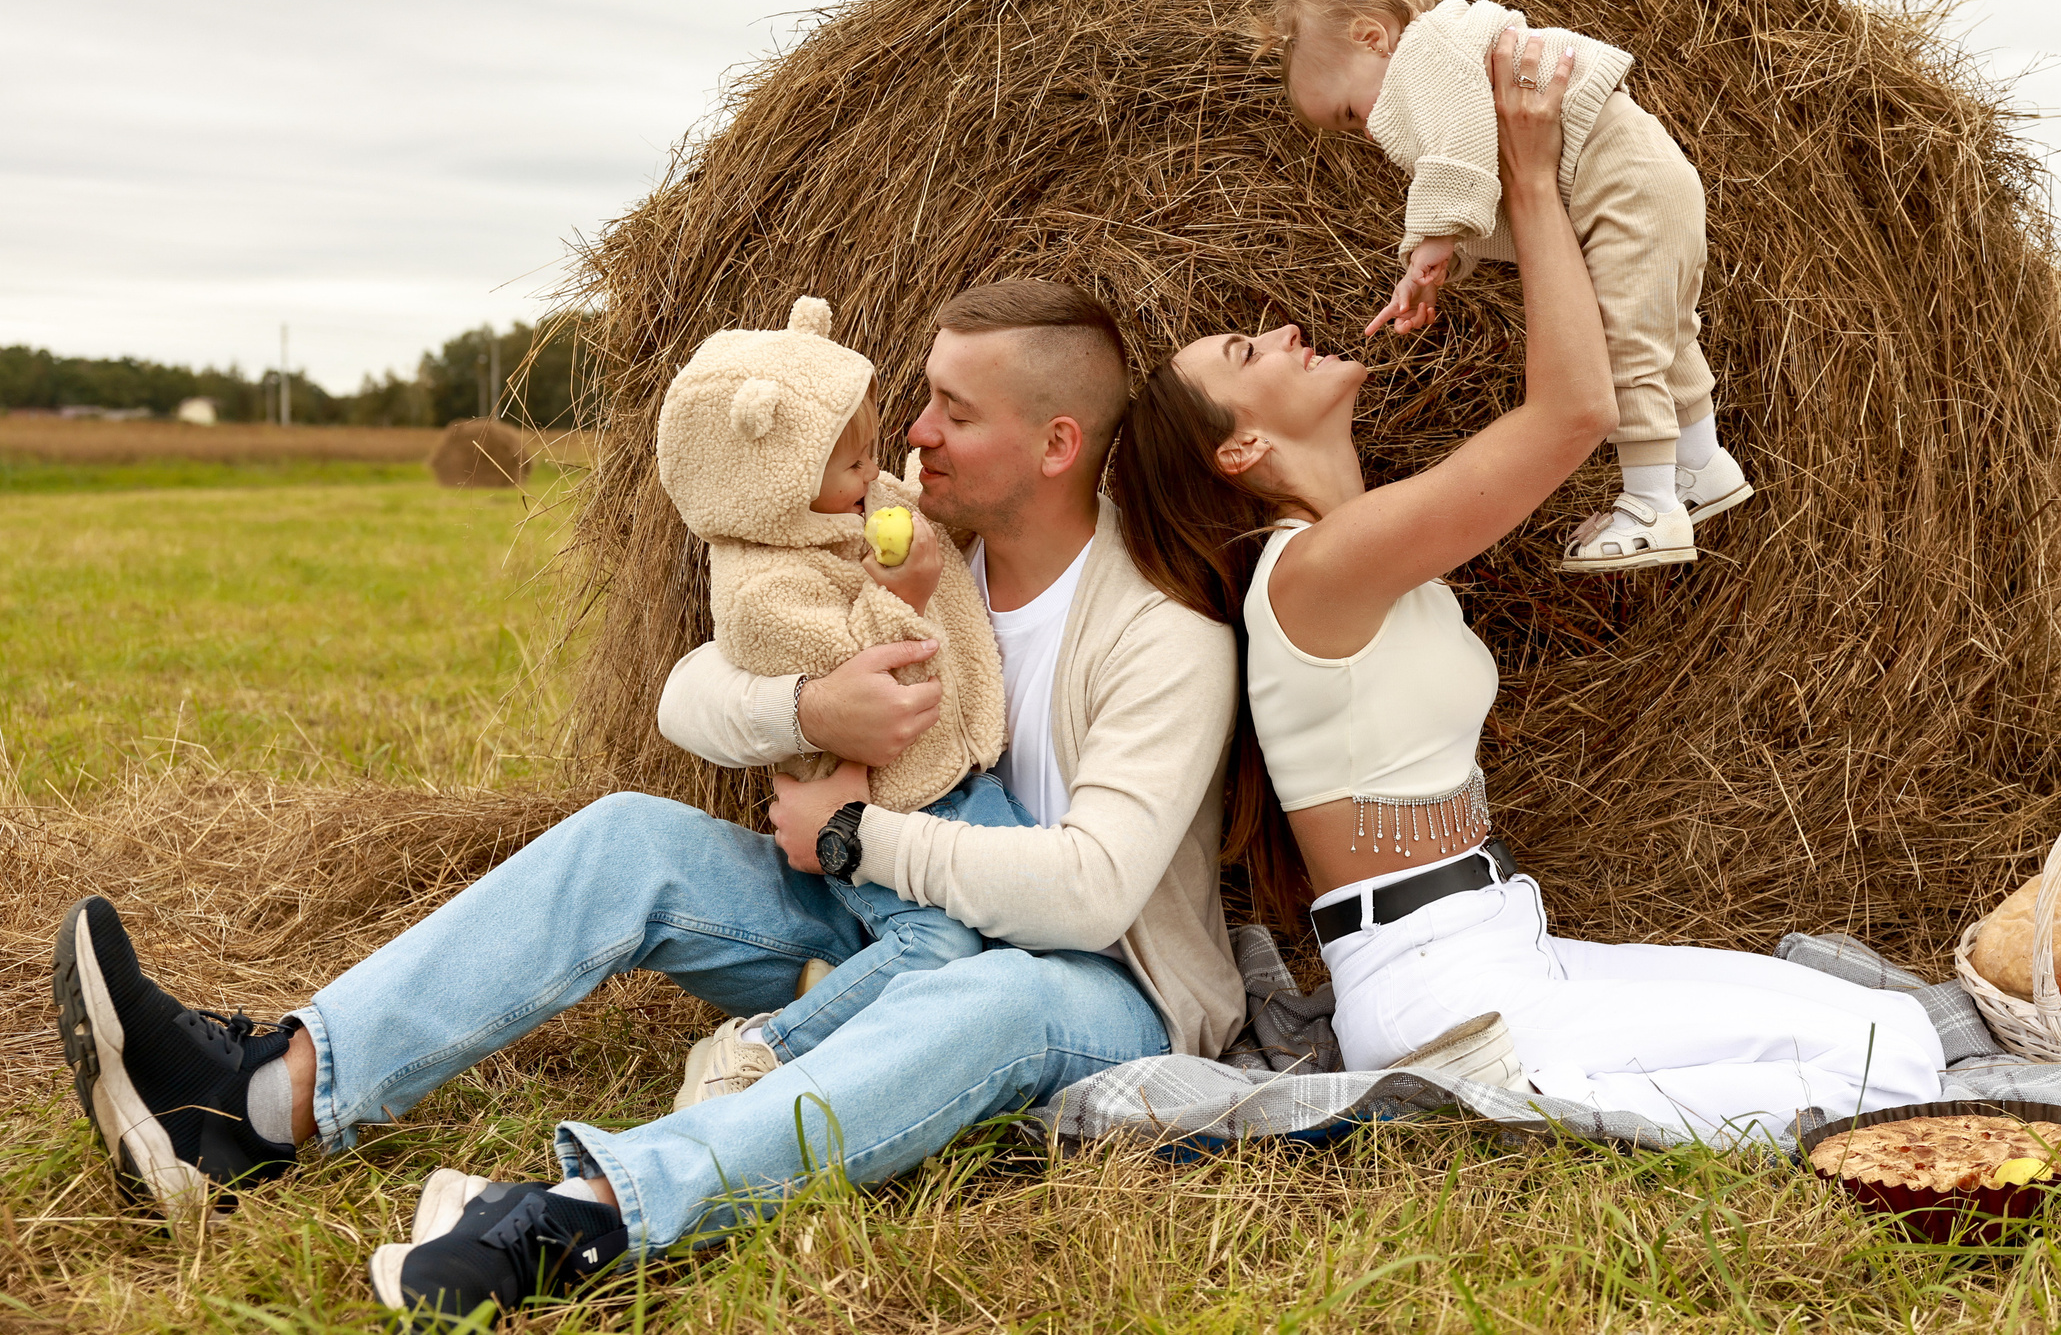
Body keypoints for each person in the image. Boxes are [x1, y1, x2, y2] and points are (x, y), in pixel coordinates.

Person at [53, 281, 1243, 1325]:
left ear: (1058, 443)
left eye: (955, 413)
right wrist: (809, 708)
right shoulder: (912, 552)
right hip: (883, 926)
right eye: (921, 397)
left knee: (1003, 993)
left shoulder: (1162, 633)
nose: (915, 435)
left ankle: (585, 1218)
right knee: (630, 836)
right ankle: (256, 1101)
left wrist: (851, 834)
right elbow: (688, 693)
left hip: (1090, 989)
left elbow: (1089, 897)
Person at [1112, 27, 1944, 1145]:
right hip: (1437, 992)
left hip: (1502, 940)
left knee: (1895, 1033)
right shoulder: (1311, 568)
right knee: (1881, 1076)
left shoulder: (1360, 545)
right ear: (1239, 452)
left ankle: (1522, 1093)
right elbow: (1572, 414)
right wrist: (1532, 178)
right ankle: (1489, 1100)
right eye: (1242, 355)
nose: (1281, 331)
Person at [1260, 0, 1752, 574]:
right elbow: (1490, 186)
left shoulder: (1428, 50)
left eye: (1351, 114)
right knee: (1662, 331)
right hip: (1642, 181)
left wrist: (1433, 239)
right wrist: (1437, 261)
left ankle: (1652, 504)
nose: (1366, 132)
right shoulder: (1449, 58)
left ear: (1371, 36)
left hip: (1625, 185)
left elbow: (1460, 146)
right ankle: (1703, 465)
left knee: (1622, 340)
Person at [650, 291, 1019, 1108]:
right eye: (853, 465)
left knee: (1037, 920)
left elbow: (901, 495)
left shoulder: (849, 501)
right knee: (940, 947)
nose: (875, 477)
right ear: (775, 481)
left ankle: (847, 988)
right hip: (875, 810)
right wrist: (906, 594)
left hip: (958, 787)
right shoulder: (761, 591)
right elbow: (868, 671)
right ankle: (761, 1049)